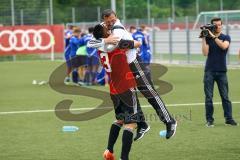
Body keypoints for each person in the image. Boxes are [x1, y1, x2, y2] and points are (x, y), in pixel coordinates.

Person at [97, 9, 177, 140]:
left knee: (148, 92)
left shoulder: (117, 29)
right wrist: (104, 41)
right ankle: (142, 124)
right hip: (123, 68)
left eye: (112, 20)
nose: (110, 23)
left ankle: (169, 121)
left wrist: (129, 44)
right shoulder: (104, 27)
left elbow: (115, 46)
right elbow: (93, 41)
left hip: (134, 63)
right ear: (104, 21)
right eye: (108, 21)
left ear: (116, 17)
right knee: (130, 96)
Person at [91, 23, 147, 160]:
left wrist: (105, 39)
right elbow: (138, 44)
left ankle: (109, 150)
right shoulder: (118, 44)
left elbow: (94, 42)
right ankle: (124, 158)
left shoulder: (100, 46)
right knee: (131, 123)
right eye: (107, 28)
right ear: (105, 34)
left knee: (120, 120)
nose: (109, 28)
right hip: (126, 87)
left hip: (113, 88)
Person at [201, 17, 238, 127]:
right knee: (208, 97)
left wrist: (213, 36)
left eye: (219, 25)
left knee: (225, 97)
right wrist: (203, 38)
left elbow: (223, 46)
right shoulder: (208, 38)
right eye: (215, 25)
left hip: (222, 72)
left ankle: (229, 119)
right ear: (212, 26)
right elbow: (205, 53)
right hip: (209, 71)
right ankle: (209, 120)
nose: (217, 26)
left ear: (221, 26)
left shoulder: (226, 37)